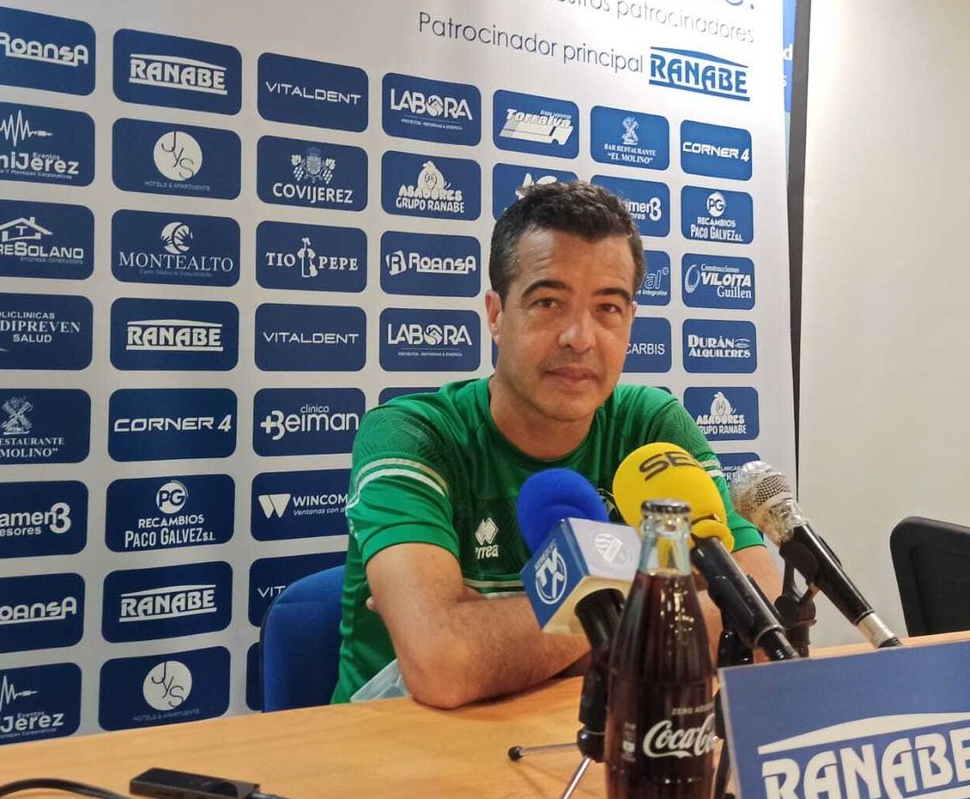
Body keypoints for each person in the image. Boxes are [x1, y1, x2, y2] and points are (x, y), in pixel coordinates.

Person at [331, 181, 780, 707]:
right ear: (496, 314)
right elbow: (446, 664)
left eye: (608, 308)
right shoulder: (412, 434)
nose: (580, 337)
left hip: (590, 741)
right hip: (398, 759)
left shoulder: (652, 425)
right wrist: (656, 595)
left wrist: (507, 632)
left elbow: (755, 606)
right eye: (548, 301)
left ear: (630, 321)